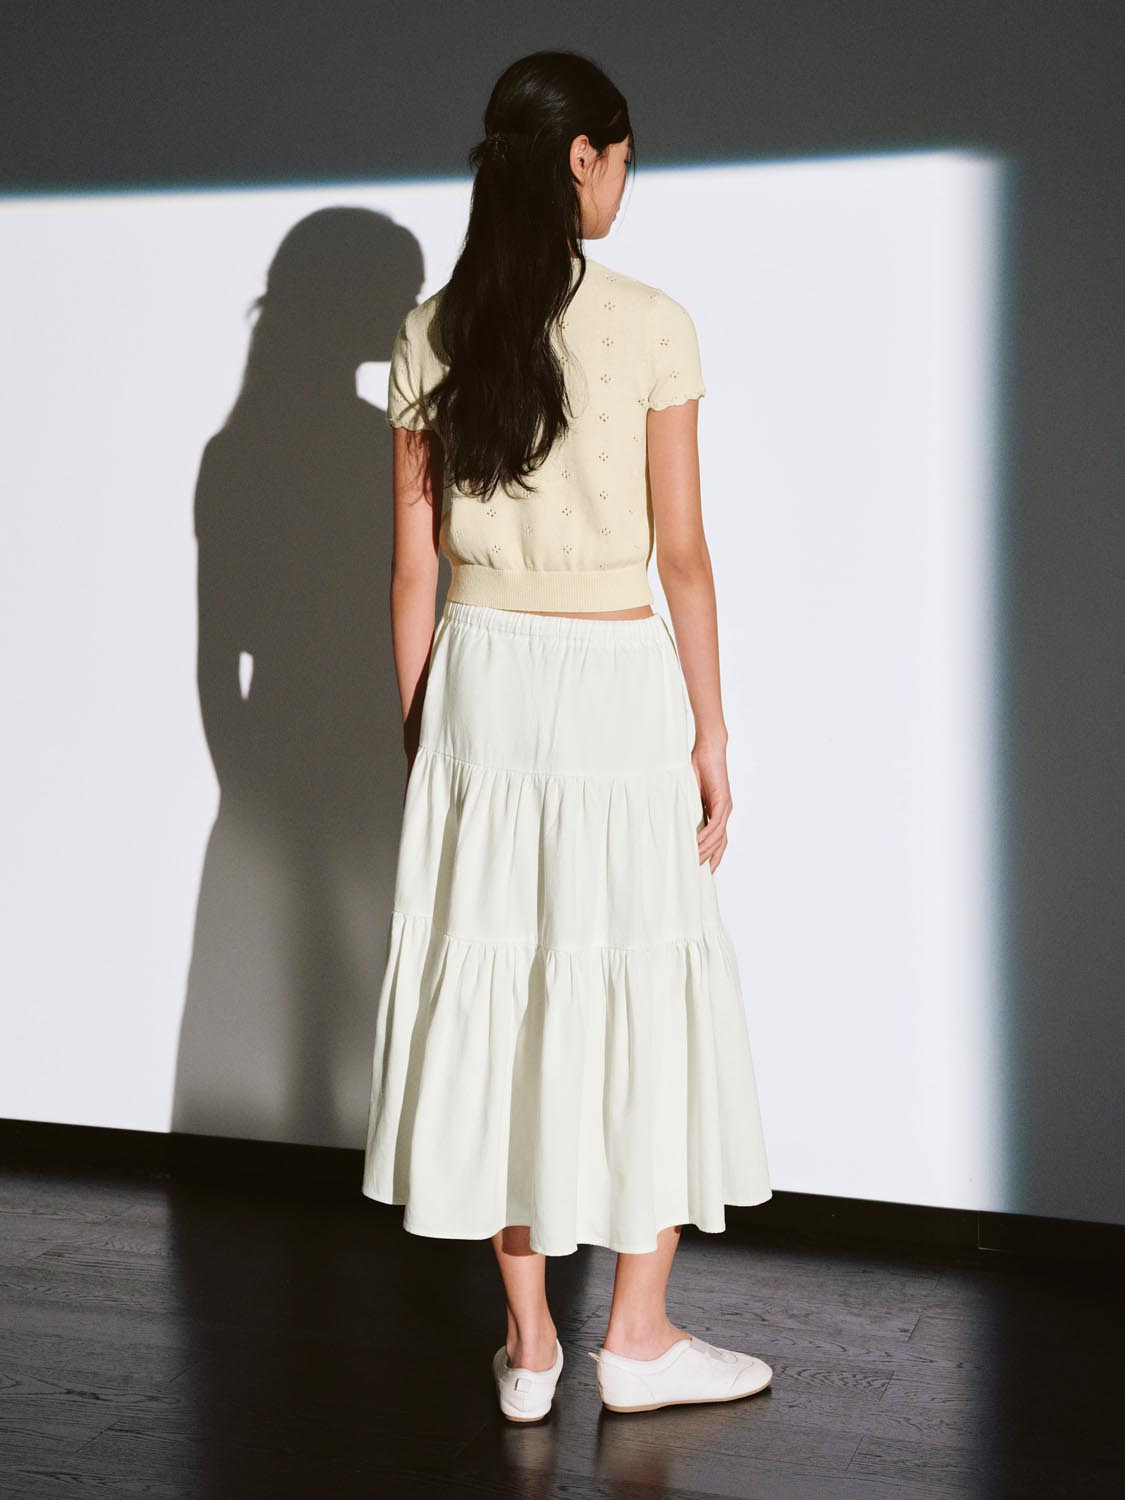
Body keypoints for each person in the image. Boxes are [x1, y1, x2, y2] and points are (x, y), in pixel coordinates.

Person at [362, 49, 772, 1420]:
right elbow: (684, 556)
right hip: (610, 681)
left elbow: (412, 571)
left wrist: (426, 737)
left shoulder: (431, 331)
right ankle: (636, 1339)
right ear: (584, 157)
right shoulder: (651, 323)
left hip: (479, 680)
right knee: (641, 982)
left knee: (501, 997)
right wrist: (713, 731)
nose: (624, 185)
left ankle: (532, 1346)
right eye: (622, 160)